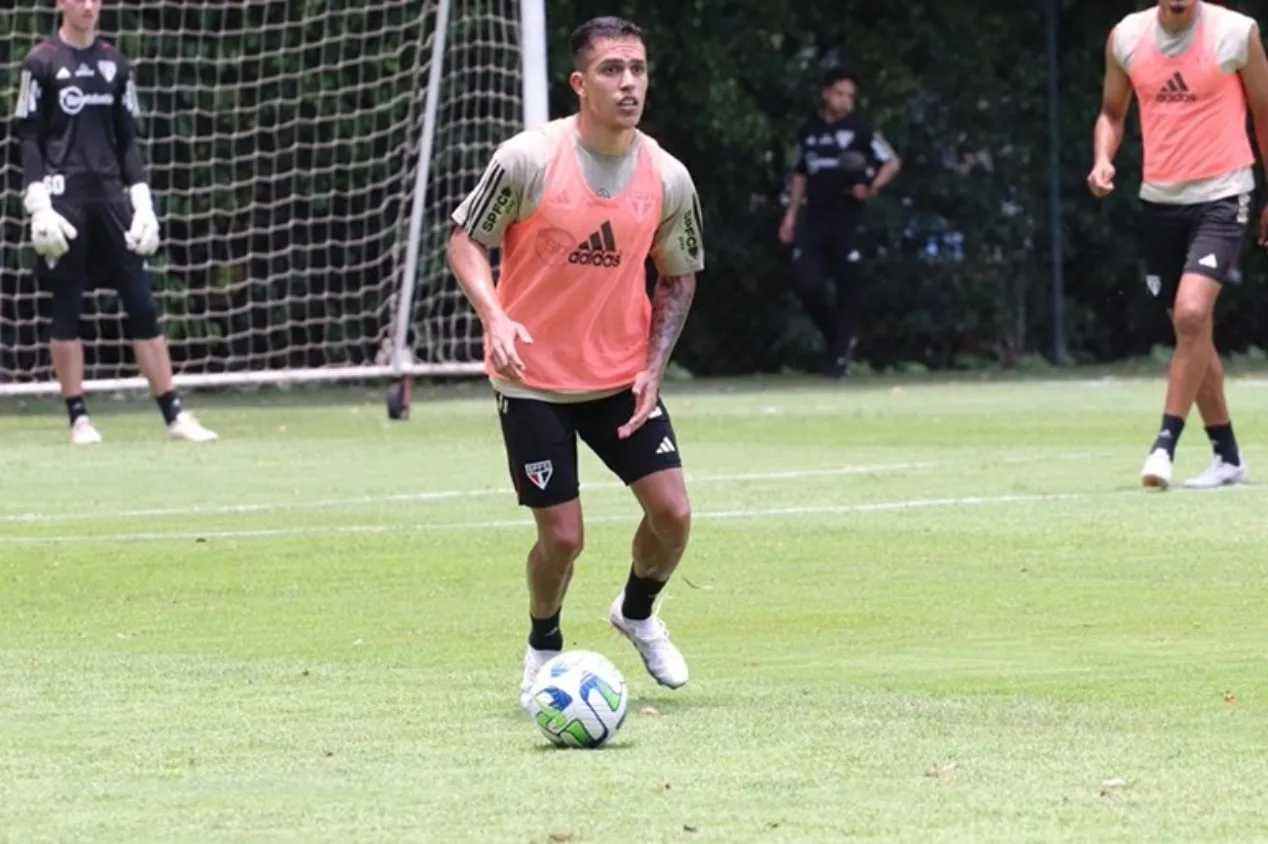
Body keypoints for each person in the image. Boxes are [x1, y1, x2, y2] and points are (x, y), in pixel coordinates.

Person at [447, 16, 704, 707]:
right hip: (533, 379)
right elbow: (466, 243)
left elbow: (677, 277)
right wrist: (495, 316)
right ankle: (543, 645)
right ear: (580, 83)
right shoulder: (529, 158)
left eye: (639, 69)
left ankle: (638, 611)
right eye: (613, 70)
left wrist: (655, 363)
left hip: (619, 376)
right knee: (563, 539)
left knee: (673, 514)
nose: (629, 83)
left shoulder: (667, 176)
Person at [14, 0, 217, 445]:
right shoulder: (41, 61)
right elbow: (28, 138)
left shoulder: (114, 62)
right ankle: (78, 418)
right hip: (63, 200)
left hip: (111, 199)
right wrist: (38, 204)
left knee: (141, 302)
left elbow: (127, 140)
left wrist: (142, 202)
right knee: (67, 306)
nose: (88, 5)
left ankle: (174, 414)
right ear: (60, 4)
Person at [1089, 0, 1268, 489]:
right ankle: (1227, 457)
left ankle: (1164, 444)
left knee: (1191, 315)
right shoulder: (1126, 37)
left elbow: (1264, 111)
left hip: (1223, 193)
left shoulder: (1235, 33)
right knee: (1193, 332)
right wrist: (1104, 157)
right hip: (1160, 202)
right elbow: (1111, 111)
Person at [779, 68, 901, 379]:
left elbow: (891, 161)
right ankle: (837, 338)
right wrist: (791, 215)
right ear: (826, 93)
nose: (845, 101)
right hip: (815, 219)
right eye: (840, 94)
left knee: (849, 287)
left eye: (850, 96)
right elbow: (800, 174)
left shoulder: (861, 130)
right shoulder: (809, 132)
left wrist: (871, 187)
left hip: (849, 220)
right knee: (807, 284)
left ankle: (839, 358)